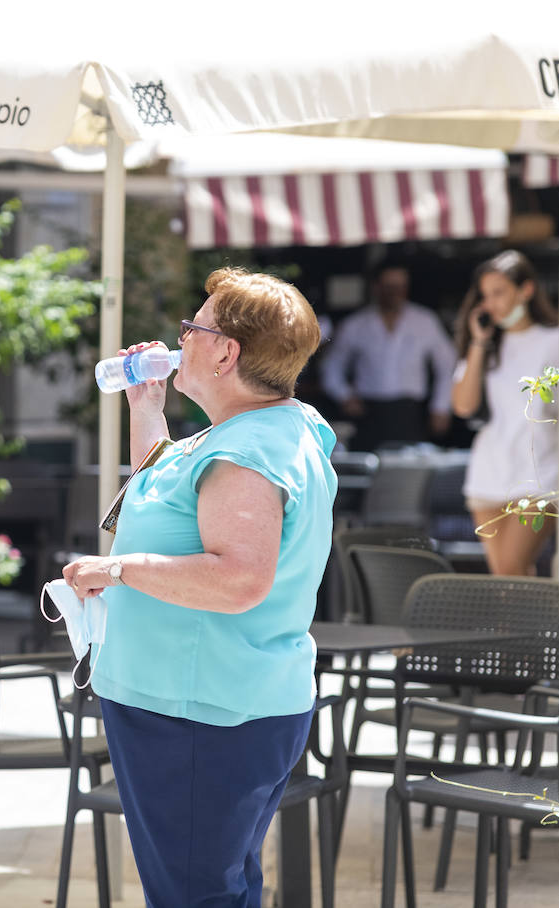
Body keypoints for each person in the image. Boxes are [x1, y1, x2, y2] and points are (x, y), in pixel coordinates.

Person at [63, 268, 336, 906]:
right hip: (213, 703)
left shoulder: (247, 450)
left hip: (197, 712)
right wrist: (147, 411)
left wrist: (118, 569)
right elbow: (168, 506)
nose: (180, 338)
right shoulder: (263, 430)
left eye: (194, 327)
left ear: (225, 352)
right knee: (215, 888)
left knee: (195, 896)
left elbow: (237, 578)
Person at [451, 248, 559, 576]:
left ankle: (532, 627)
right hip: (488, 472)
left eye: (499, 292)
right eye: (485, 295)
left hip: (542, 471)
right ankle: (528, 628)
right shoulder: (487, 345)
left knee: (511, 569)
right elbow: (463, 405)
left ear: (526, 289)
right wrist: (478, 342)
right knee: (508, 577)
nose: (491, 303)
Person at [320, 258, 457, 450]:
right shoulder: (356, 325)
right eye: (389, 287)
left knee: (408, 471)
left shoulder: (425, 321)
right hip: (369, 412)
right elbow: (332, 366)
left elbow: (447, 364)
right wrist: (344, 395)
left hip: (410, 412)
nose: (395, 293)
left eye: (400, 287)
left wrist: (441, 407)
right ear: (376, 287)